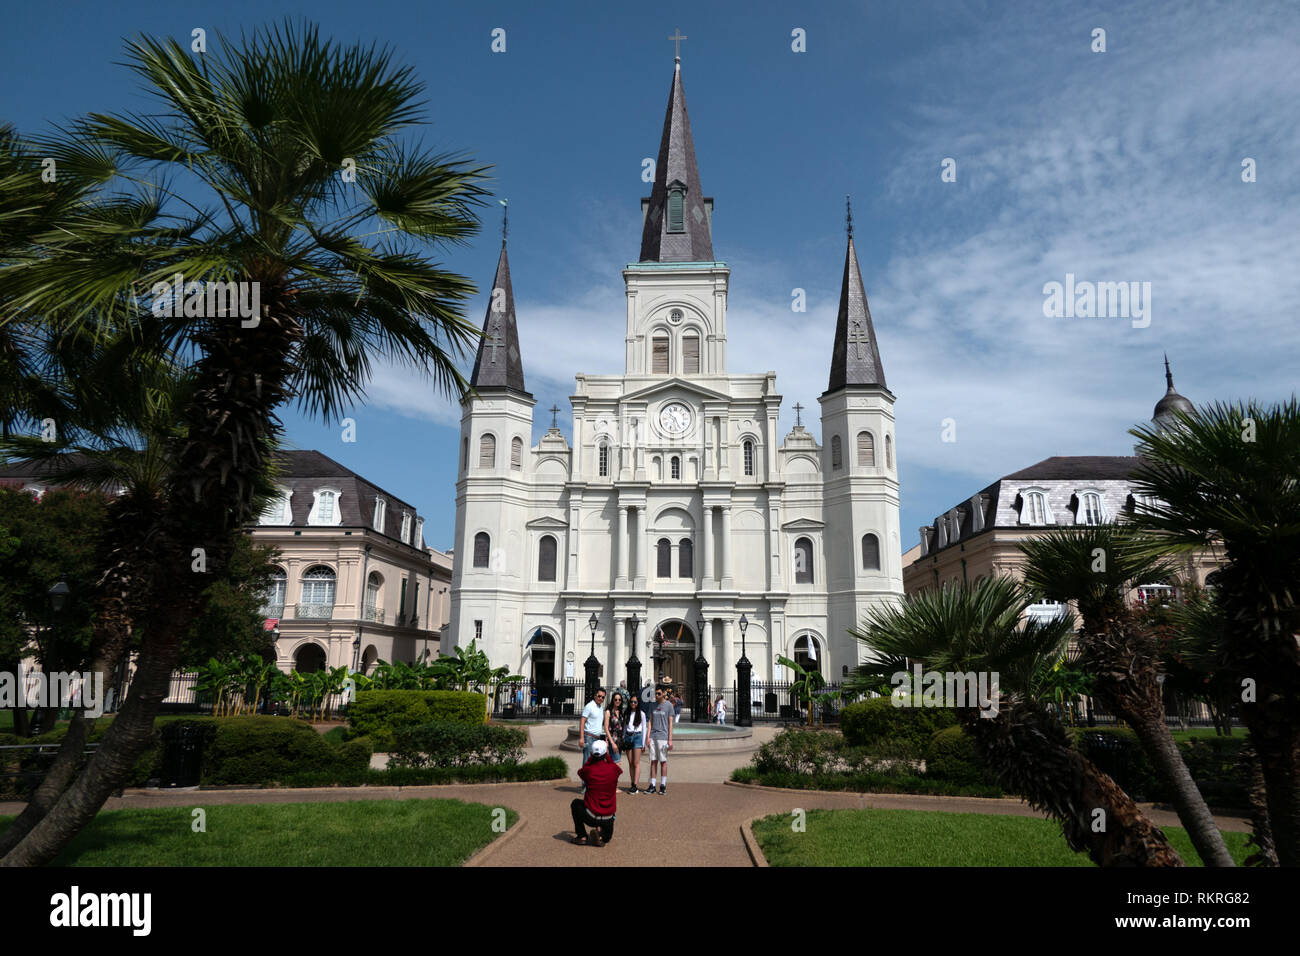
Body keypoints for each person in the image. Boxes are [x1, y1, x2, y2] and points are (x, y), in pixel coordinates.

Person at [571, 740, 622, 846]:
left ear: (592, 754)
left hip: (591, 815)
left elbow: (581, 771)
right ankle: (601, 834)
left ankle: (582, 836)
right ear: (606, 754)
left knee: (575, 803)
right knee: (606, 838)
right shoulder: (613, 769)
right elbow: (618, 769)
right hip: (608, 817)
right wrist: (608, 756)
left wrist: (591, 758)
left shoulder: (589, 770)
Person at [648, 685, 674, 795]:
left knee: (663, 761)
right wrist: (647, 737)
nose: (656, 695)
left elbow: (670, 723)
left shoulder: (668, 706)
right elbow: (650, 722)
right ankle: (652, 784)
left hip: (663, 737)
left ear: (663, 693)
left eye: (658, 693)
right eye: (655, 693)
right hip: (653, 736)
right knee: (653, 762)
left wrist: (670, 740)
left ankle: (663, 785)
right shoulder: (652, 705)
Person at [623, 695, 647, 793]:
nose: (633, 703)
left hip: (637, 737)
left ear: (638, 703)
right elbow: (625, 727)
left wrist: (643, 743)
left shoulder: (642, 714)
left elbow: (644, 728)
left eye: (635, 702)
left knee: (636, 763)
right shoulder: (627, 713)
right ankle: (632, 783)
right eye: (632, 702)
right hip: (628, 737)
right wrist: (624, 738)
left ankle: (635, 785)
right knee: (630, 763)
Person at [579, 687, 607, 767]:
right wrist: (581, 738)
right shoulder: (589, 706)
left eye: (603, 697)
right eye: (599, 696)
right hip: (589, 737)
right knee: (587, 763)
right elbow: (582, 721)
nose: (600, 698)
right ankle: (584, 780)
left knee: (595, 764)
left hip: (597, 739)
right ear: (595, 696)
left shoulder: (601, 708)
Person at [603, 690, 627, 764]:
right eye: (616, 699)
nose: (617, 701)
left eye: (619, 700)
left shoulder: (621, 712)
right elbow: (606, 728)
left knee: (614, 765)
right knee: (617, 764)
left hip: (619, 743)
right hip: (612, 742)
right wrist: (612, 743)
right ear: (612, 700)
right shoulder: (608, 712)